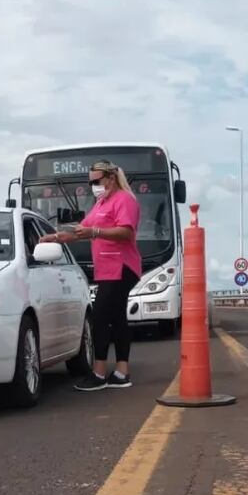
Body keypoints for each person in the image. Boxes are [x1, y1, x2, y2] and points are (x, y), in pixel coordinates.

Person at [41, 160, 141, 391]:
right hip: (106, 268)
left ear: (111, 178)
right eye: (91, 182)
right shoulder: (101, 203)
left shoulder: (124, 200)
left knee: (99, 318)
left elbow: (126, 232)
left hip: (121, 265)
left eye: (97, 181)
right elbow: (80, 231)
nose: (93, 185)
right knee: (116, 318)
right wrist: (54, 237)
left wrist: (94, 232)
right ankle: (121, 373)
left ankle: (98, 373)